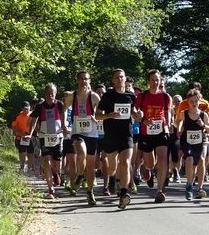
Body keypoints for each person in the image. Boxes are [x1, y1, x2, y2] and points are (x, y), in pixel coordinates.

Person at [96, 69, 139, 210]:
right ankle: (113, 178)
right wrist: (110, 115)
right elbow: (97, 116)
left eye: (122, 77)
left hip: (126, 134)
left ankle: (124, 193)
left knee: (126, 163)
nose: (120, 79)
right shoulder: (108, 95)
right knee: (113, 166)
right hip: (111, 135)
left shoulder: (131, 95)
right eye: (117, 77)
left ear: (125, 79)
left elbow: (134, 113)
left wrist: (138, 114)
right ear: (113, 80)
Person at [63, 70, 101, 205]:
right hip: (77, 132)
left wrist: (96, 119)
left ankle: (89, 191)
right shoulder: (71, 96)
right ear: (77, 81)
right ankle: (79, 175)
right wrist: (63, 125)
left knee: (90, 167)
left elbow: (100, 114)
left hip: (92, 133)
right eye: (81, 79)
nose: (84, 81)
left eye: (86, 79)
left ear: (89, 81)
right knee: (80, 150)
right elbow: (64, 109)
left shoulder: (94, 97)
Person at [135, 70, 173, 203]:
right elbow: (134, 112)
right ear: (148, 81)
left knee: (163, 160)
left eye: (157, 80)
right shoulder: (142, 96)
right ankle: (147, 167)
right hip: (146, 133)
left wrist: (167, 124)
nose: (155, 82)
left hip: (161, 131)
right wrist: (142, 119)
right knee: (150, 162)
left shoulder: (165, 96)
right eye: (153, 80)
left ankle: (160, 190)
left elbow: (168, 112)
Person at [30, 83, 66, 199]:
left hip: (57, 136)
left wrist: (64, 127)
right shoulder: (40, 107)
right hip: (44, 137)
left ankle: (56, 173)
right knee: (46, 162)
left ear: (55, 94)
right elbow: (34, 120)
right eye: (48, 93)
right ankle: (51, 189)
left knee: (57, 164)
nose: (51, 96)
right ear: (44, 94)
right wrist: (30, 134)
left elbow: (64, 116)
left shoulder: (60, 104)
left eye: (53, 93)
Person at [178, 89, 209, 200]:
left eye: (196, 101)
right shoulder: (184, 113)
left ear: (199, 102)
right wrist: (179, 129)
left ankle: (200, 187)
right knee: (189, 159)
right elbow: (178, 122)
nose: (194, 103)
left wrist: (203, 125)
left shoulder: (204, 115)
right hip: (187, 141)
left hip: (200, 141)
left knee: (202, 160)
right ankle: (189, 185)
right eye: (191, 101)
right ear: (188, 102)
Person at [11, 101, 33, 172]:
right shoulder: (18, 117)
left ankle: (30, 168)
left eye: (27, 108)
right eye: (24, 109)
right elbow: (14, 126)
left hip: (31, 137)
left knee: (31, 153)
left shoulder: (33, 115)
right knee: (22, 153)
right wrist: (20, 132)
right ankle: (22, 166)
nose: (26, 110)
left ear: (30, 107)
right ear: (22, 109)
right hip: (21, 138)